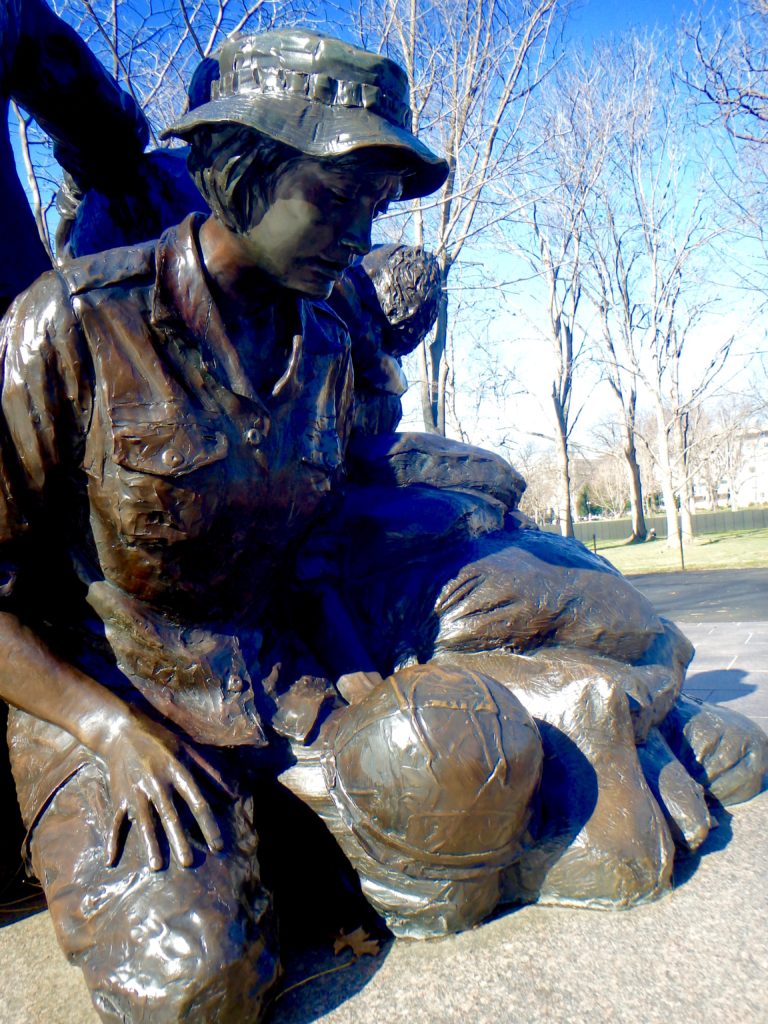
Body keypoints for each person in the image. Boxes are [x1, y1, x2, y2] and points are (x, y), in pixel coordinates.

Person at [0, 26, 765, 1024]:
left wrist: (363, 682)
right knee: (191, 988)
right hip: (111, 702)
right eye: (337, 199)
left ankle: (603, 723)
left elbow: (320, 546)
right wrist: (106, 729)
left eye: (374, 207)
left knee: (446, 798)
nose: (362, 237)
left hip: (280, 685)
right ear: (238, 169)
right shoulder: (71, 326)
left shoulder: (324, 345)